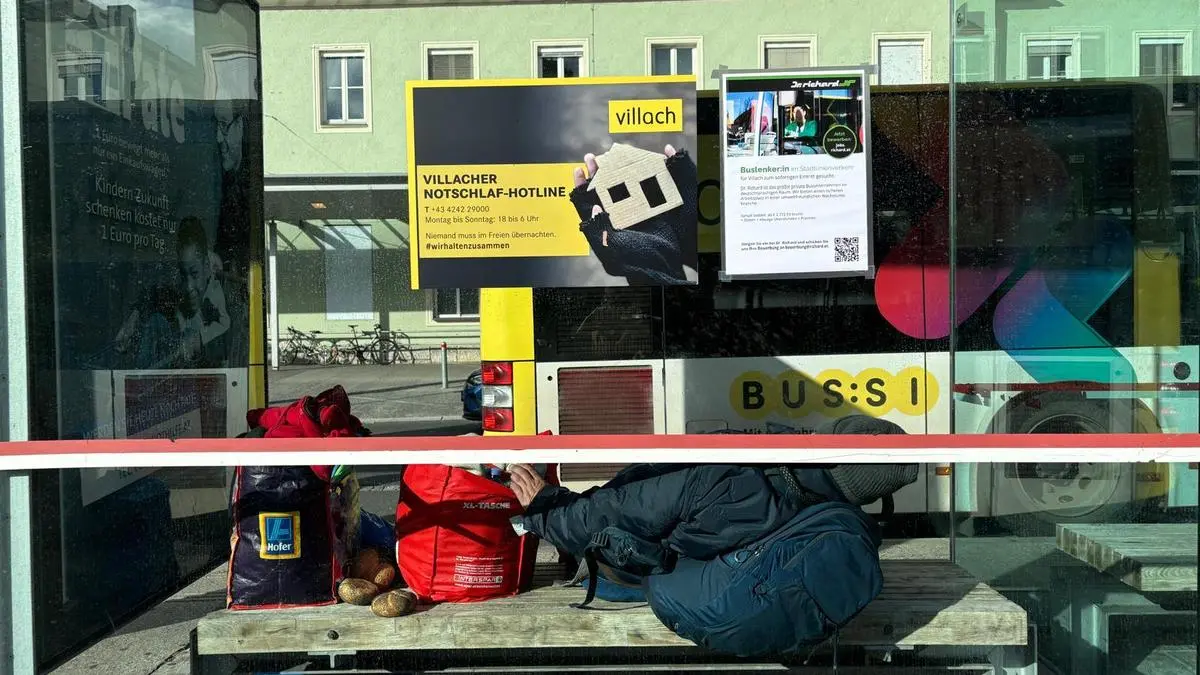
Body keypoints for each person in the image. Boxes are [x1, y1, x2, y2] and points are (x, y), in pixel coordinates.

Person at [504, 415, 918, 658]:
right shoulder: (833, 512)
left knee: (634, 562)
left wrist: (545, 507)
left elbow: (612, 513)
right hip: (742, 590)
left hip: (668, 591)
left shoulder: (736, 470)